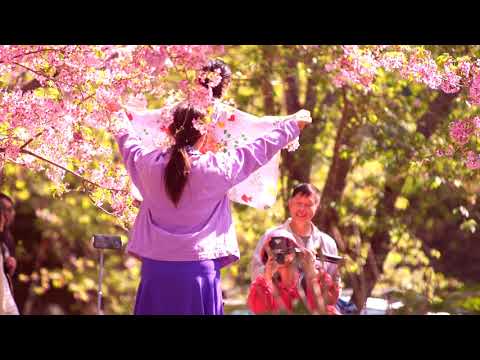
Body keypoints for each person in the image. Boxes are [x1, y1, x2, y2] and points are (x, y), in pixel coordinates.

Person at [112, 66, 311, 314]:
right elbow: (256, 151)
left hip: (156, 270)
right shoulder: (217, 168)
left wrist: (114, 111)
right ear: (204, 135)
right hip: (199, 270)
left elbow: (126, 139)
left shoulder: (147, 165)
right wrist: (293, 126)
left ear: (170, 131)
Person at [251, 183, 341, 291]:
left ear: (317, 206)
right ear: (290, 204)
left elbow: (335, 287)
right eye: (298, 203)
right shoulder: (271, 237)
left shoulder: (327, 243)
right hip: (277, 306)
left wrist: (314, 272)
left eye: (308, 204)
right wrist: (271, 269)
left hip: (315, 307)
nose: (302, 209)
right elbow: (254, 276)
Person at [247, 229, 339, 314]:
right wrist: (267, 277)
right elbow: (258, 309)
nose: (280, 254)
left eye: (285, 247)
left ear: (296, 252)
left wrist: (312, 272)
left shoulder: (310, 277)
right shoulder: (264, 285)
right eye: (274, 251)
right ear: (266, 257)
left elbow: (331, 300)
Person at [0, 194, 19, 315]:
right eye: (3, 208)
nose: (8, 213)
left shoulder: (8, 239)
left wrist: (11, 266)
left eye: (10, 209)